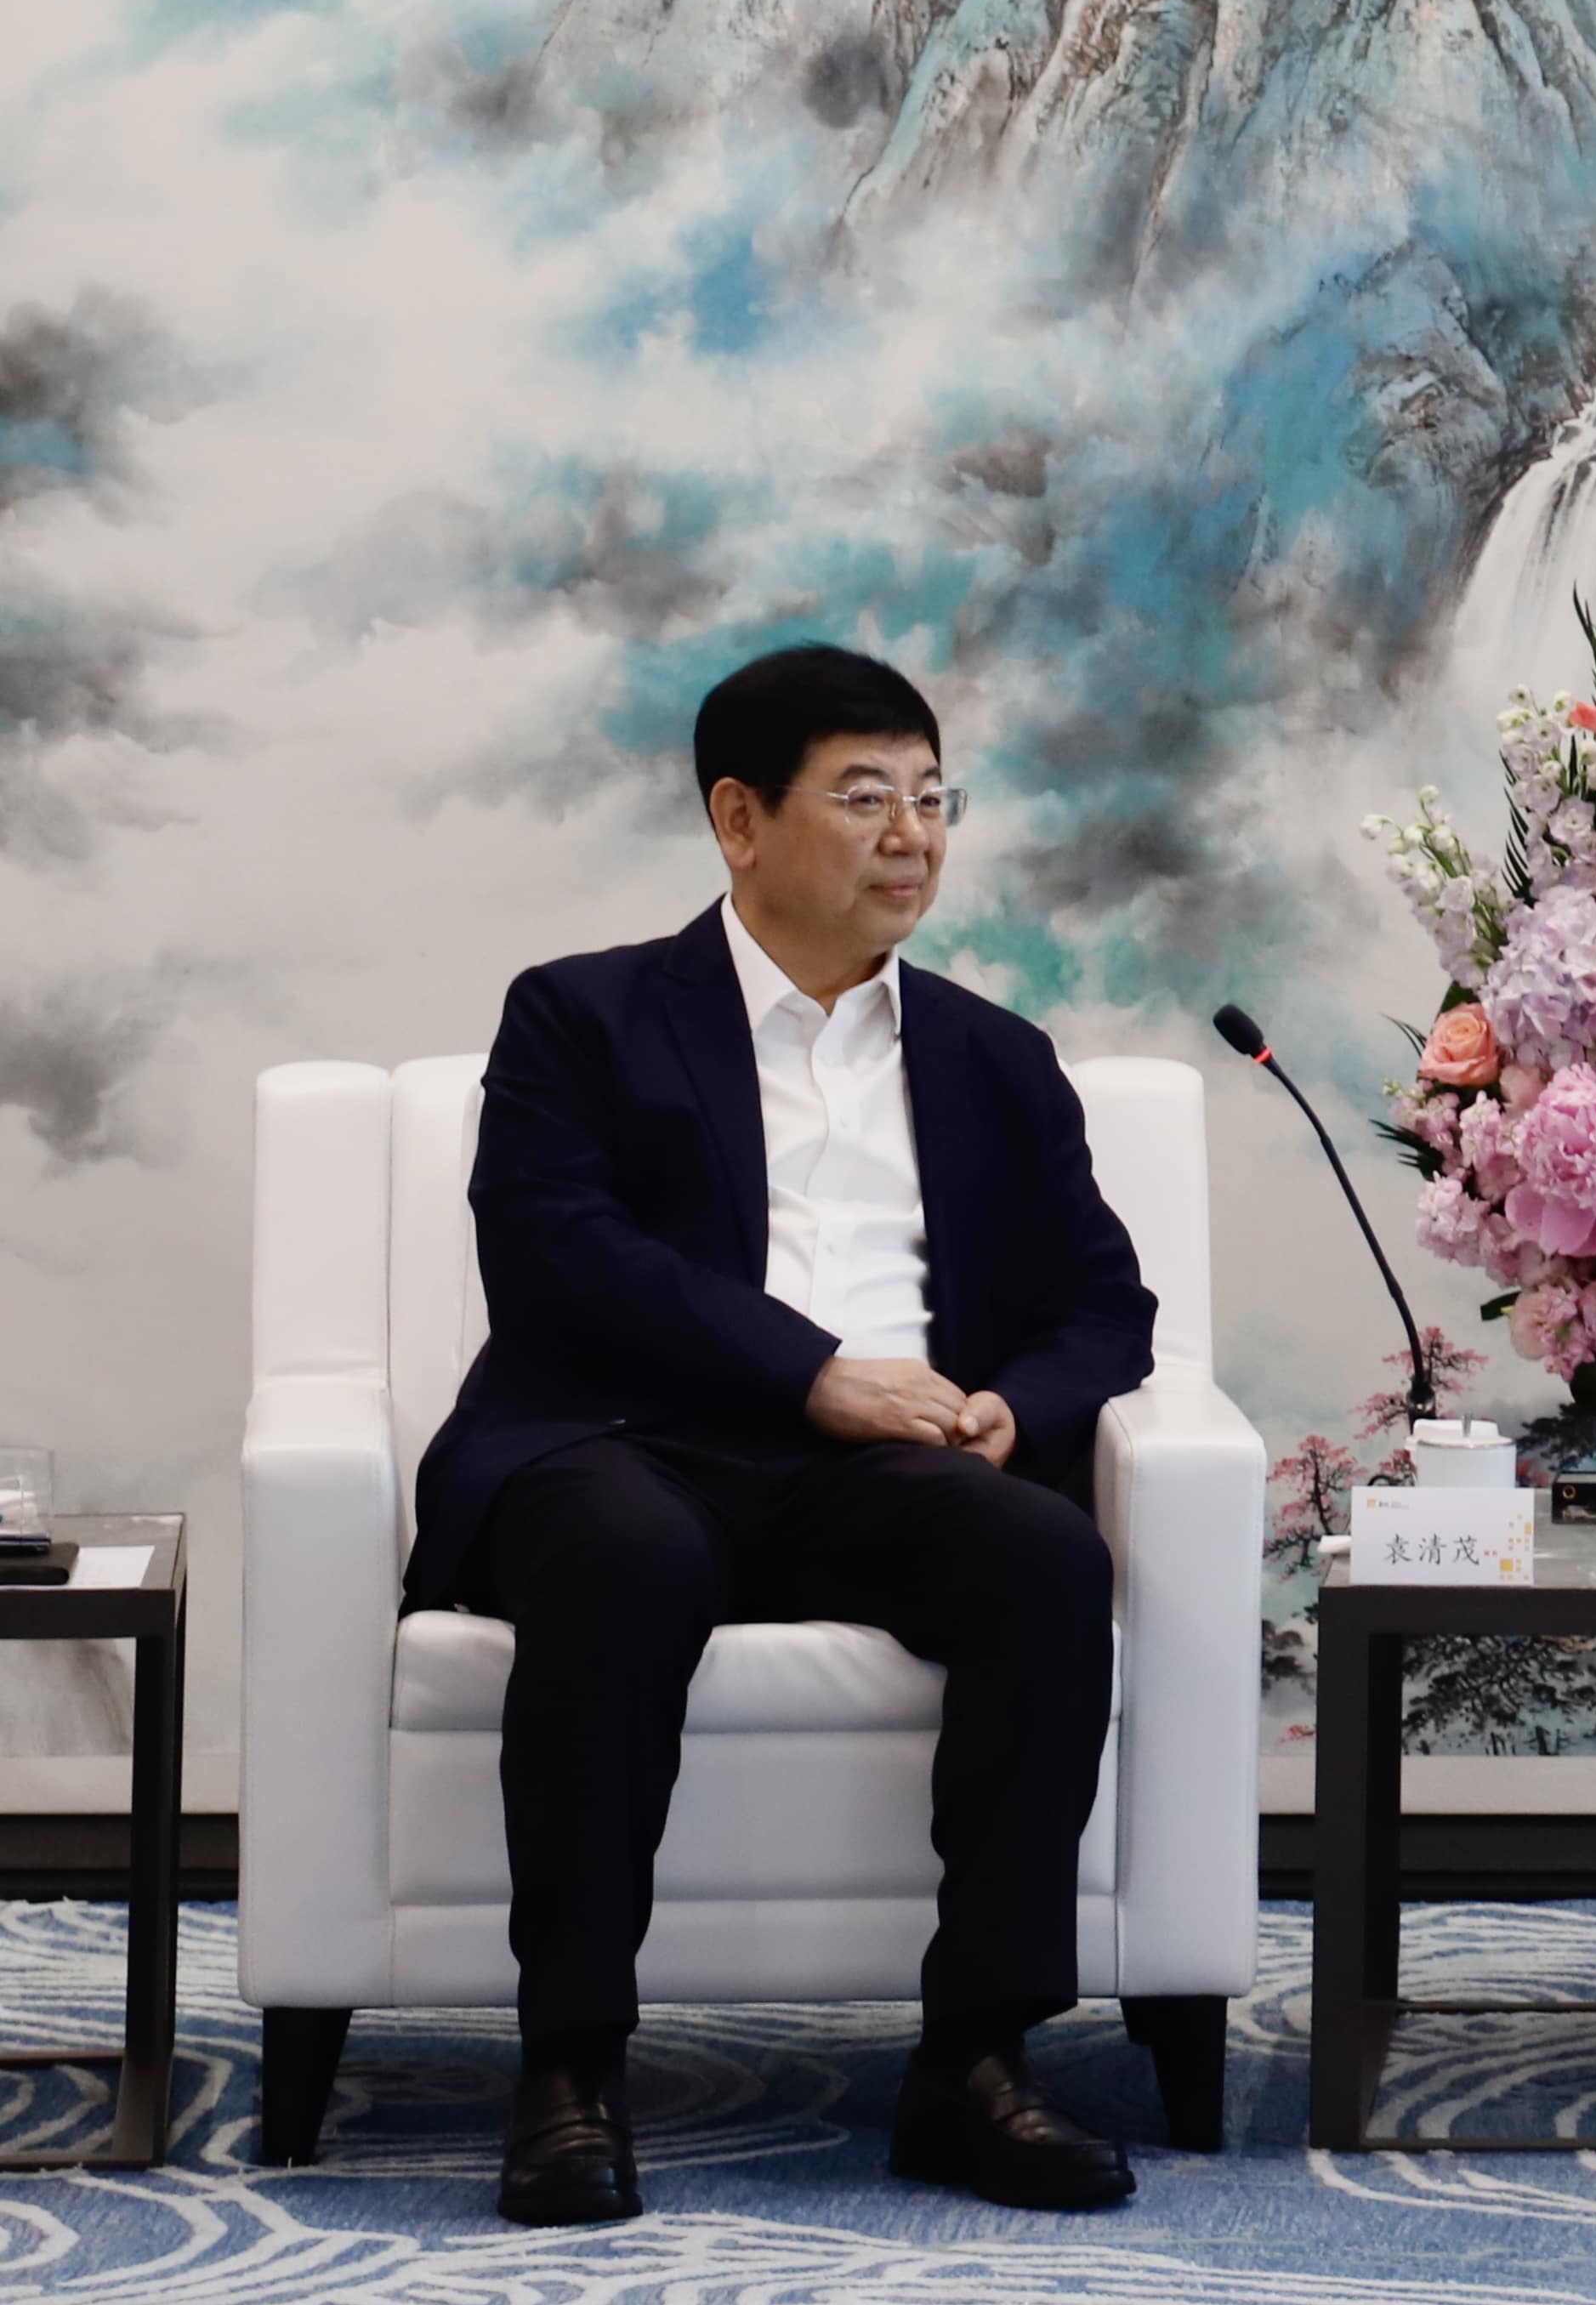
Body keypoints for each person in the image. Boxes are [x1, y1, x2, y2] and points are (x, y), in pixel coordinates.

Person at [409, 644, 1157, 2225]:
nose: (912, 835)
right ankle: (570, 2066)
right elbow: (556, 1255)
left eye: (934, 800)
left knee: (1041, 1558)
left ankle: (974, 2061)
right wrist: (812, 1372)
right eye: (866, 796)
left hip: (882, 1470)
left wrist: (1016, 1406)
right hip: (618, 1441)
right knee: (622, 1558)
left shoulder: (996, 1058)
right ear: (738, 819)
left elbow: (1106, 1307)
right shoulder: (582, 1015)